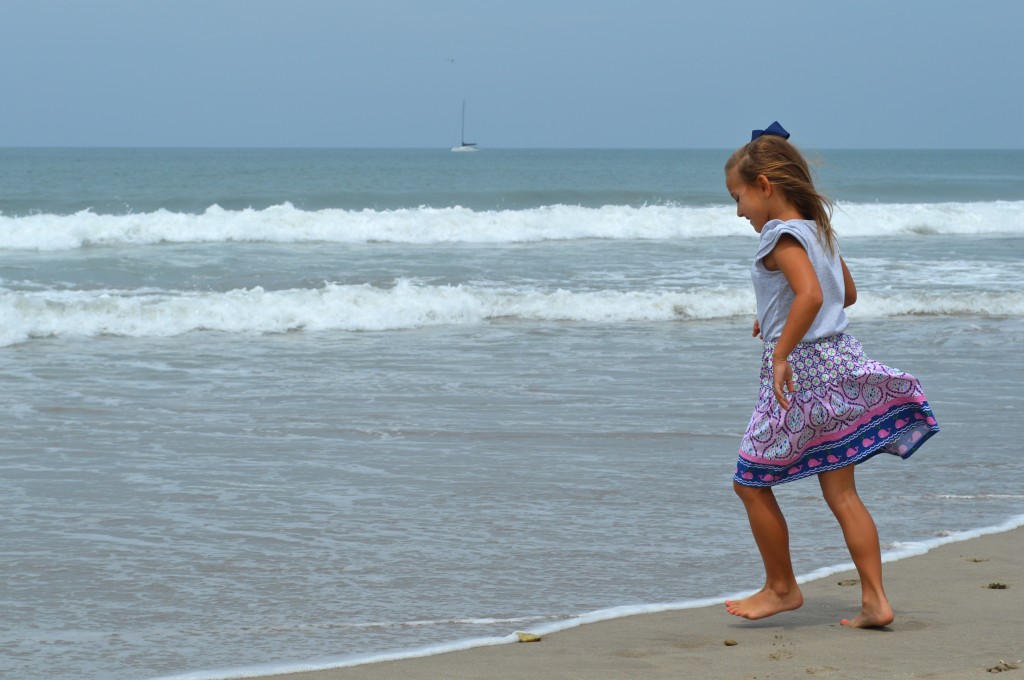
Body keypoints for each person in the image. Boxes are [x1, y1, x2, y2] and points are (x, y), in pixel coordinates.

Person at [722, 122, 939, 628]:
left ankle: (781, 587)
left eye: (738, 198)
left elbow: (813, 296)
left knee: (750, 482)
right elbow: (846, 294)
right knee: (842, 493)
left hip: (802, 374)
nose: (738, 211)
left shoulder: (778, 235)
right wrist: (773, 312)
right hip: (839, 361)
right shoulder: (817, 228)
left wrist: (781, 352)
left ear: (765, 187)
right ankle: (875, 602)